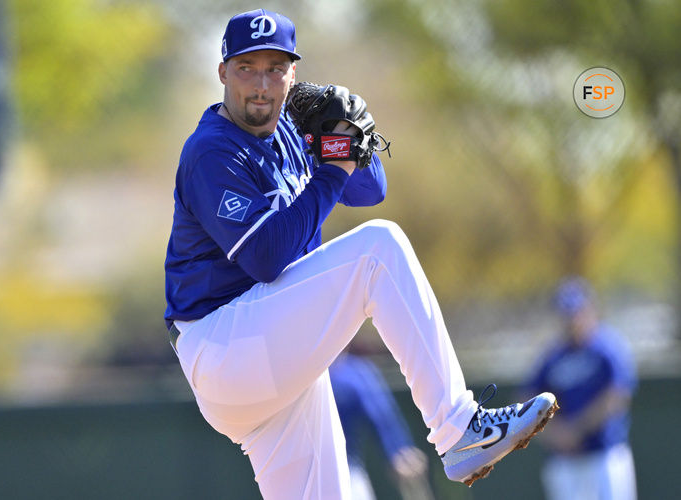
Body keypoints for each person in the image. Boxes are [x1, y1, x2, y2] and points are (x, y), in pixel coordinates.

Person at [164, 8, 557, 498]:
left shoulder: (289, 130)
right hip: (224, 348)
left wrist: (349, 136)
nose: (261, 84)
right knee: (378, 248)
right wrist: (335, 166)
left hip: (273, 350)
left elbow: (369, 190)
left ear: (294, 73)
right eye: (247, 68)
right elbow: (265, 258)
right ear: (223, 72)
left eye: (275, 67)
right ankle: (458, 428)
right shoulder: (213, 150)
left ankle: (459, 431)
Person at [523, 277, 637, 500]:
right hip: (565, 458)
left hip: (604, 453)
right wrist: (555, 433)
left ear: (590, 309)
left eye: (576, 311)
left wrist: (577, 429)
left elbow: (617, 395)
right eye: (566, 314)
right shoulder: (553, 355)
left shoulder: (608, 347)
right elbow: (528, 397)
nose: (572, 320)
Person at [330, 348, 435, 500]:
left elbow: (381, 414)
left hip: (345, 472)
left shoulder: (353, 372)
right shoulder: (298, 368)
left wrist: (399, 449)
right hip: (294, 473)